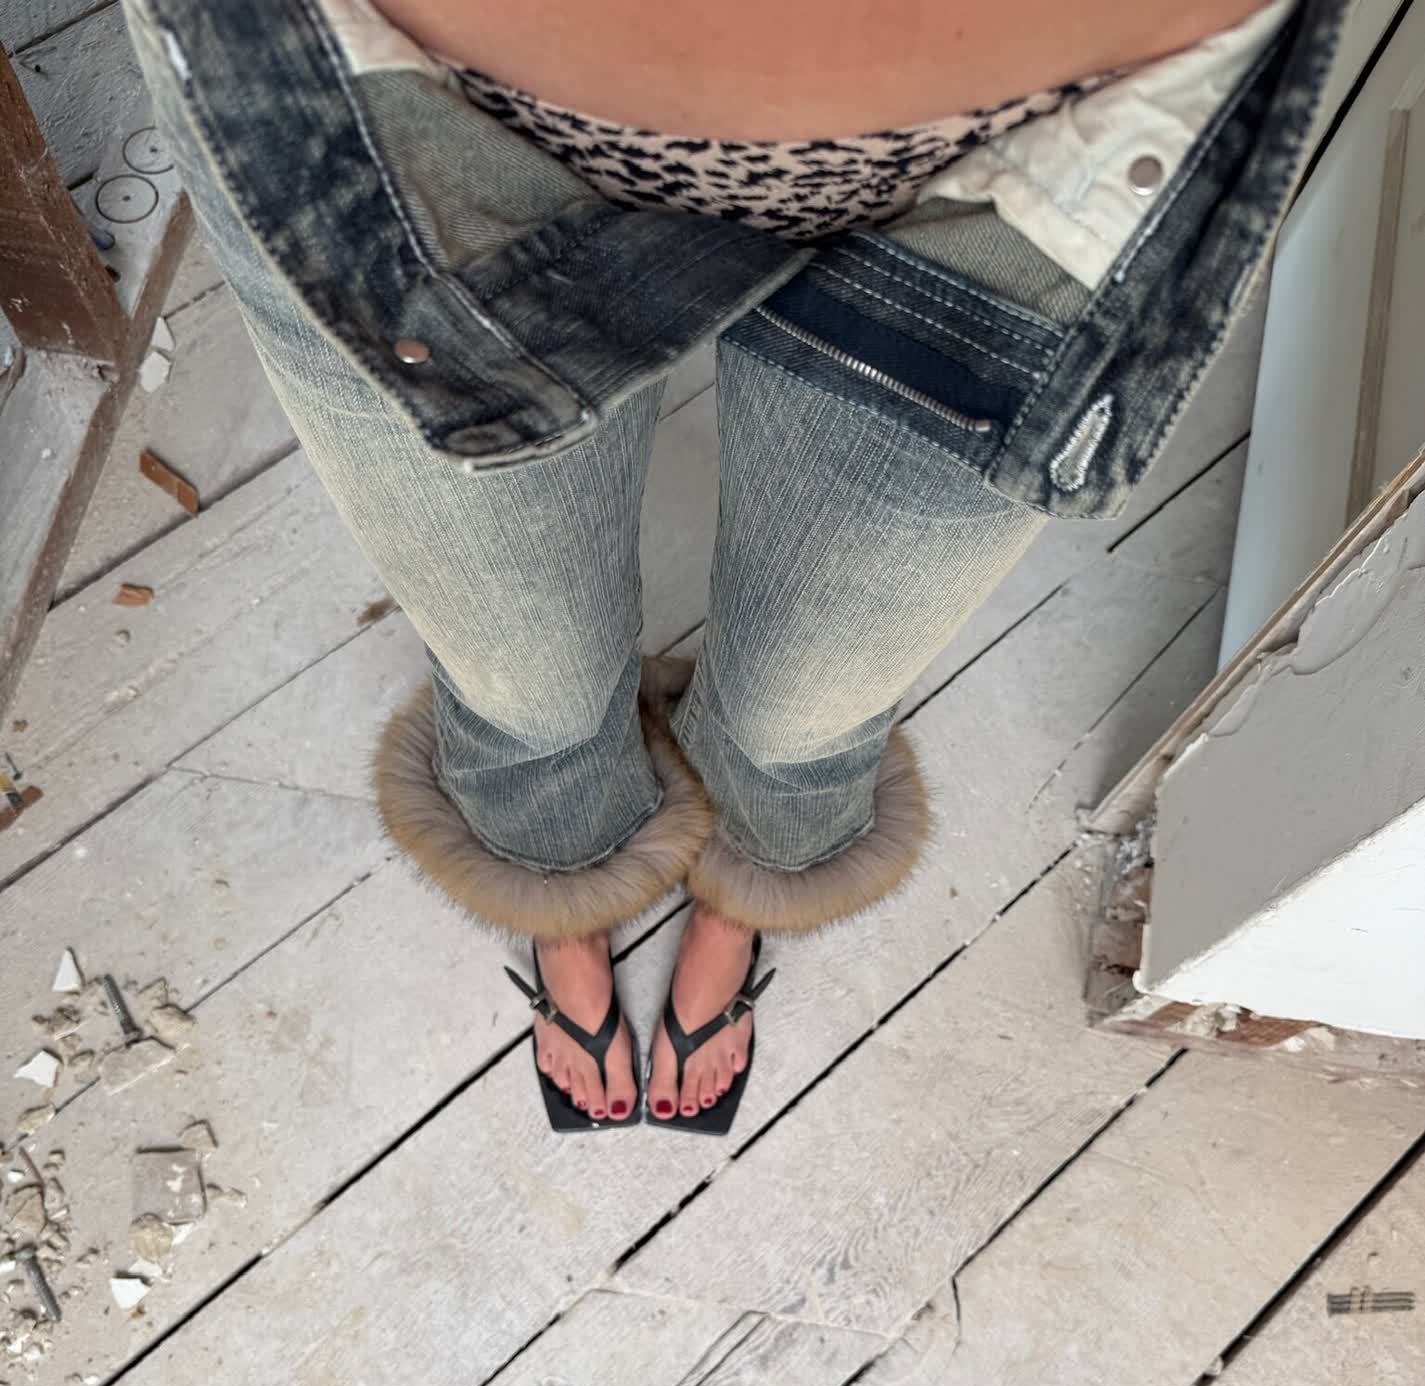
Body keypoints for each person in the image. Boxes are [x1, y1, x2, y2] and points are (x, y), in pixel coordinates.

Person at [122, 0, 1342, 1132]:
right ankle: (562, 866)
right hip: (390, 113)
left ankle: (741, 878)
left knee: (808, 702)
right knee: (523, 677)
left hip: (1066, 158)